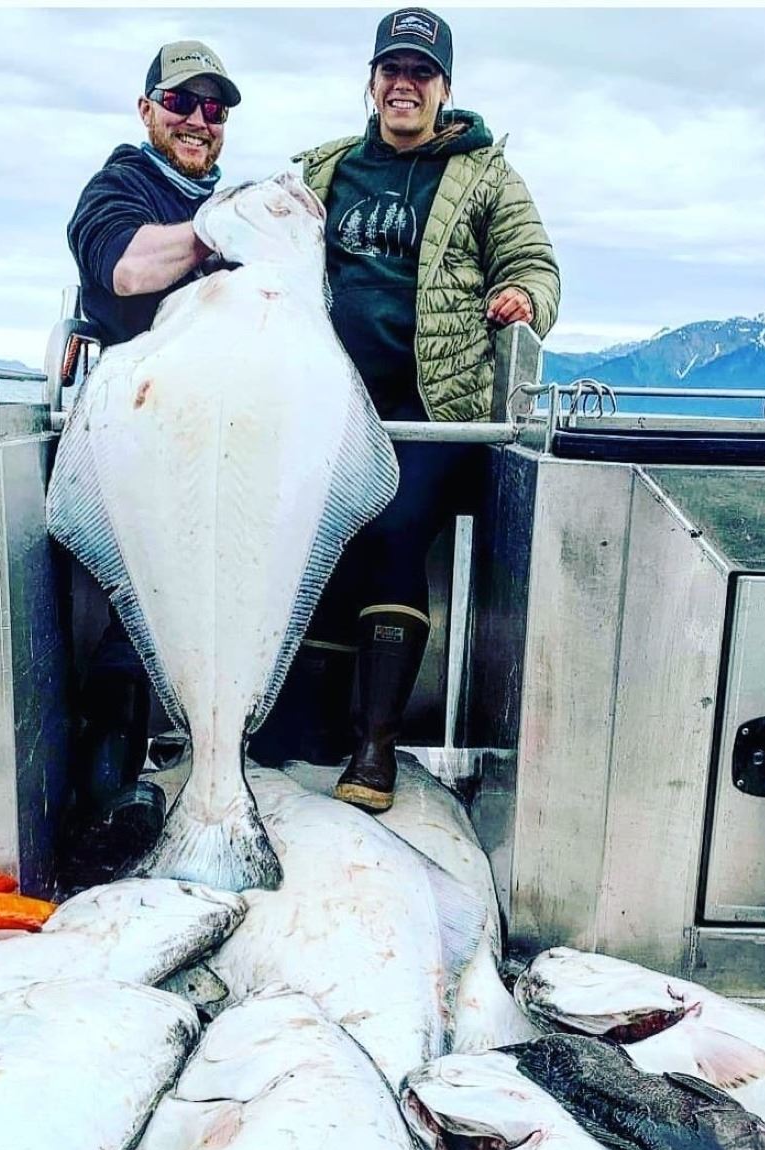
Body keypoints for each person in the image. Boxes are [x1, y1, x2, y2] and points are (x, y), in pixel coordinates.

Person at [251, 7, 560, 813]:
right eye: (392, 70)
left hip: (435, 410)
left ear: (443, 88)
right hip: (327, 405)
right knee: (317, 534)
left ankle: (375, 743)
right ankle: (303, 726)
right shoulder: (320, 171)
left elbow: (534, 263)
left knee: (391, 529)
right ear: (371, 82)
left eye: (420, 73)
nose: (404, 84)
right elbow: (257, 258)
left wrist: (523, 297)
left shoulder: (485, 174)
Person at [60, 40, 242, 878]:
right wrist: (218, 232)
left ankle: (220, 775)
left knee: (224, 613)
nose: (199, 120)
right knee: (136, 613)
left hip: (222, 446)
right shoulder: (119, 186)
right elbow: (128, 269)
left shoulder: (231, 205)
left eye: (214, 108)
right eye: (180, 102)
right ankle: (106, 804)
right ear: (146, 110)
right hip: (137, 444)